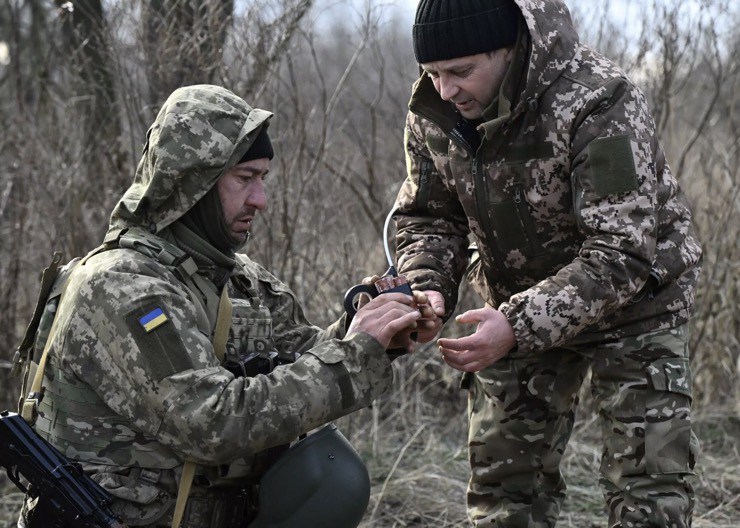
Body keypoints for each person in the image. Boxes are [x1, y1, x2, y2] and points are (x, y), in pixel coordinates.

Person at [18, 84, 429, 528]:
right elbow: (210, 424)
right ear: (191, 184)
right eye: (244, 179)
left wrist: (370, 329)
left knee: (335, 479)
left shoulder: (237, 277)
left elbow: (300, 360)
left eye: (262, 179)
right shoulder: (120, 288)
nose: (260, 200)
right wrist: (354, 357)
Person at [393, 0, 703, 526]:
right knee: (503, 490)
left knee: (650, 494)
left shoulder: (598, 100)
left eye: (461, 72)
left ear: (511, 47)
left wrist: (514, 325)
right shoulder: (435, 112)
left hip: (636, 306)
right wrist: (429, 288)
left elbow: (620, 253)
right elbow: (428, 218)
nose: (446, 90)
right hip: (515, 300)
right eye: (433, 73)